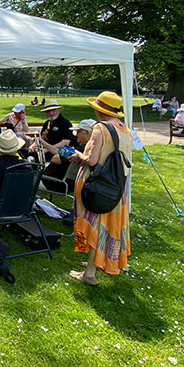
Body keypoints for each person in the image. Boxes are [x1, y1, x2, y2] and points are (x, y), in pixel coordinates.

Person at [68, 91, 133, 286]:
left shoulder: (100, 128)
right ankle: (94, 263)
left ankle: (89, 273)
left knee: (95, 225)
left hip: (96, 184)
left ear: (99, 110)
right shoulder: (126, 130)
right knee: (108, 227)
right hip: (117, 188)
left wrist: (79, 156)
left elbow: (92, 160)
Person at [40, 119, 96, 193]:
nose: (76, 135)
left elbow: (55, 159)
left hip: (52, 183)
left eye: (78, 132)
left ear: (87, 133)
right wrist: (43, 143)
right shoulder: (91, 150)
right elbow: (59, 152)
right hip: (66, 183)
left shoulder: (78, 152)